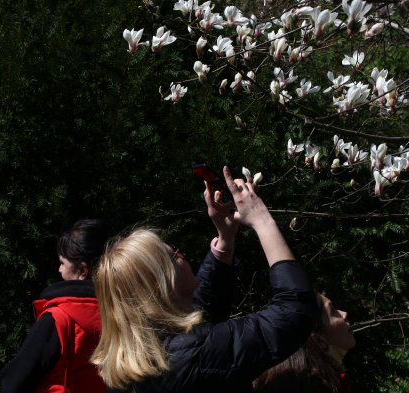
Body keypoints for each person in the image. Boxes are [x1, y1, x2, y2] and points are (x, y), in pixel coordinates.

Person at [91, 166, 319, 393]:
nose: (184, 256)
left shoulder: (136, 366)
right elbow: (293, 312)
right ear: (162, 284)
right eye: (176, 255)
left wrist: (225, 239)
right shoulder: (195, 355)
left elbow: (201, 312)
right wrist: (262, 220)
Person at [1, 219, 113, 393]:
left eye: (63, 263)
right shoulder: (122, 314)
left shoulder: (58, 319)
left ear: (83, 271)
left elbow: (14, 381)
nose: (59, 270)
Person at [253, 294, 356, 393]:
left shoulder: (319, 381)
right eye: (332, 311)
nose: (344, 314)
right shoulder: (313, 386)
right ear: (314, 335)